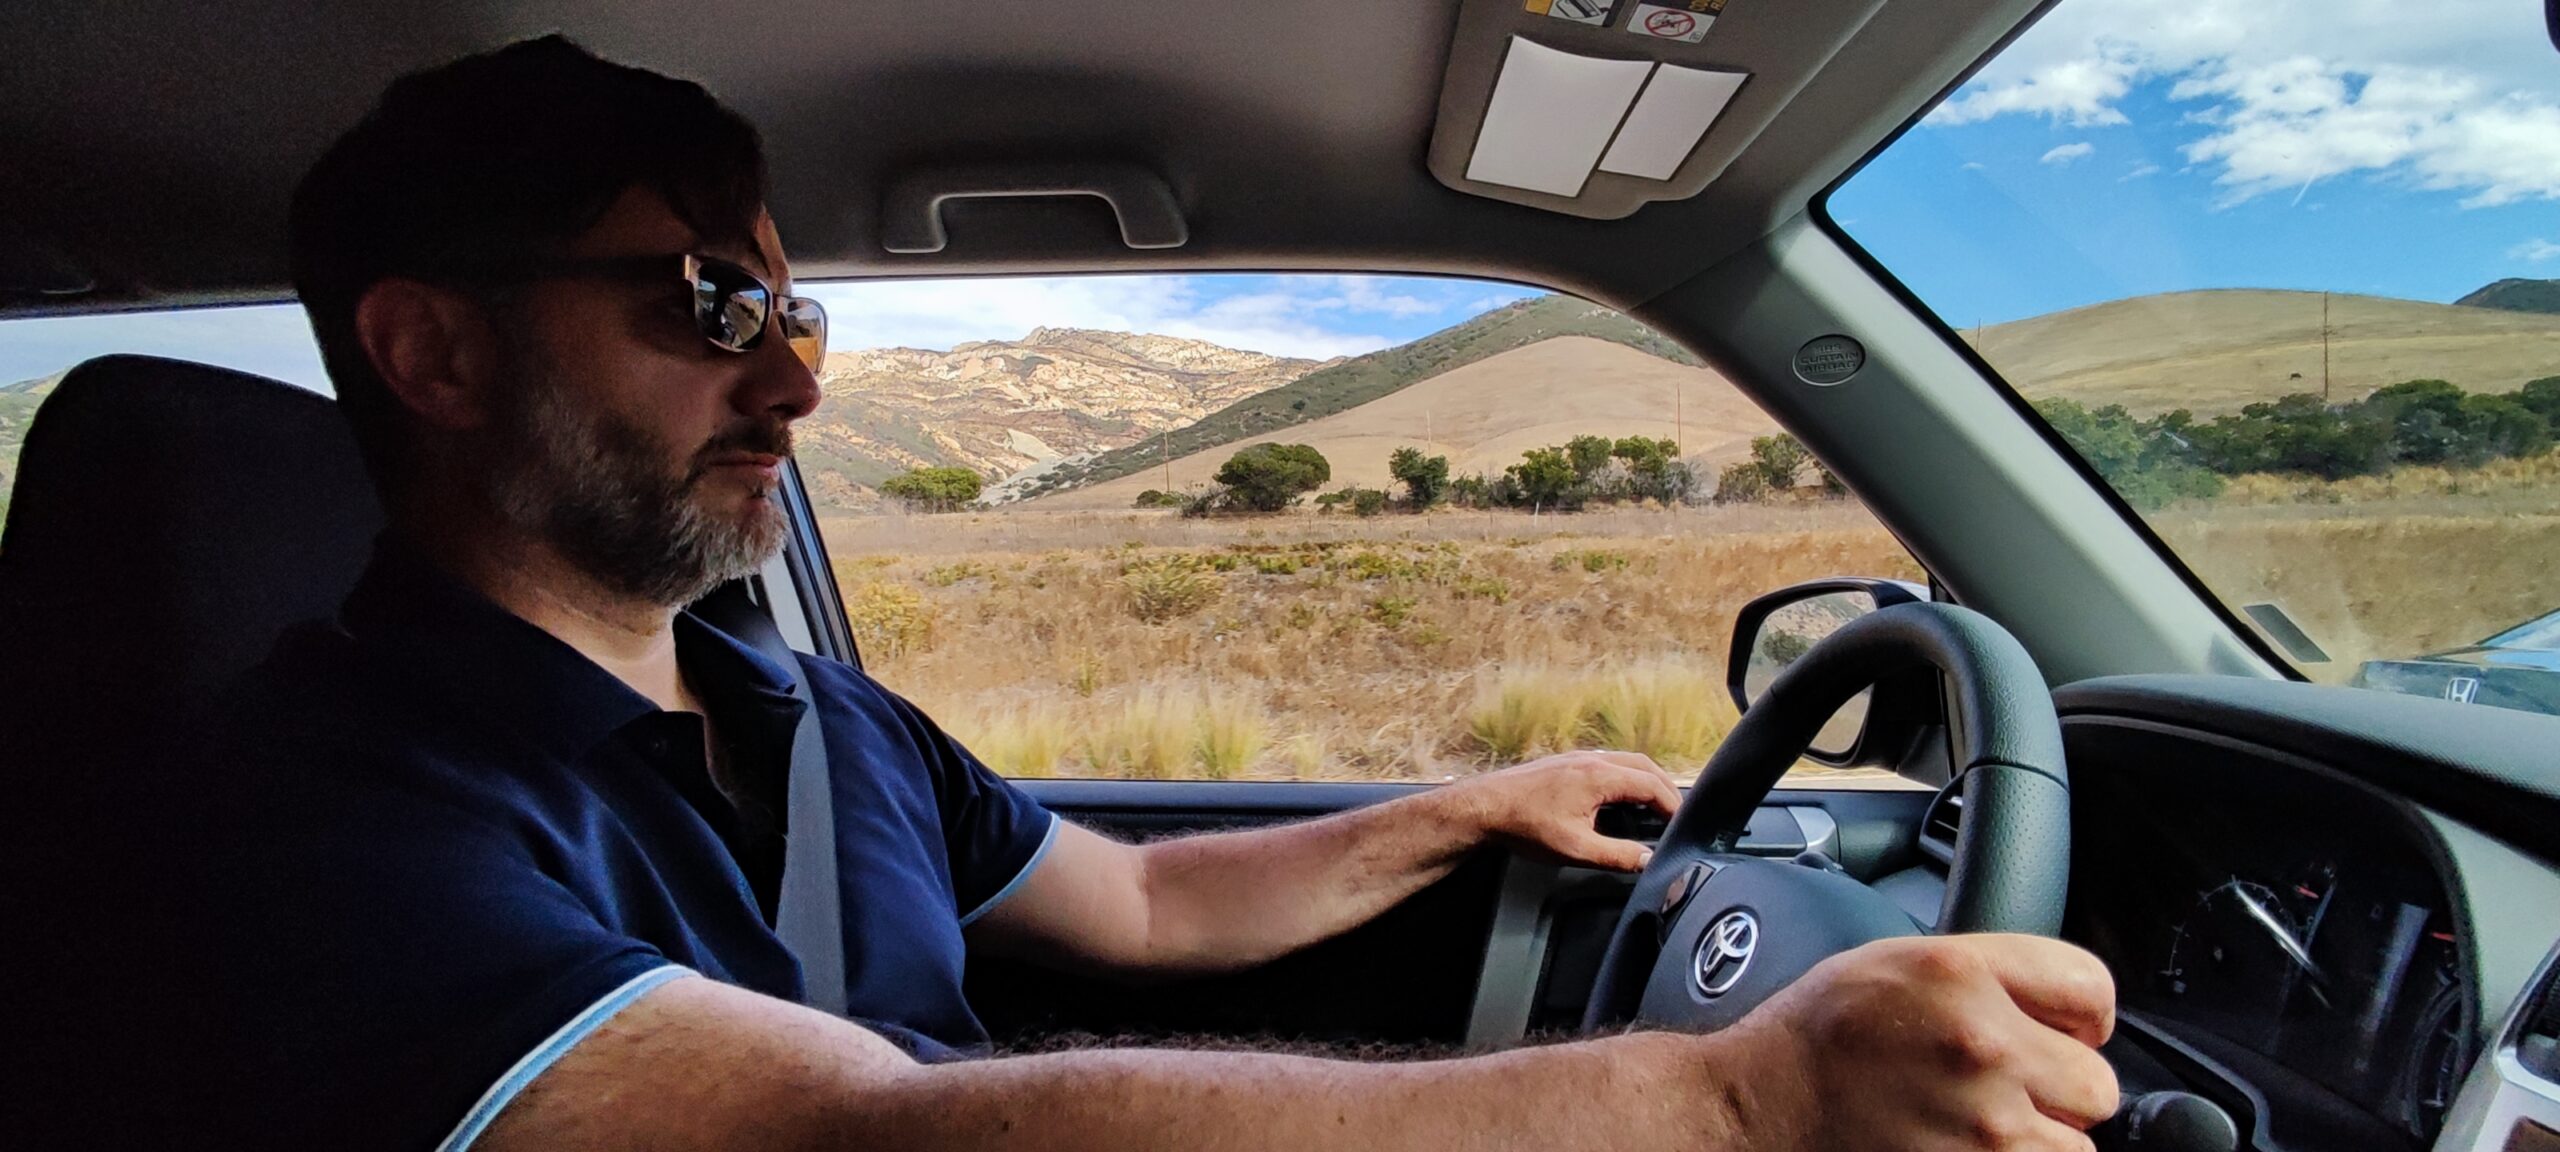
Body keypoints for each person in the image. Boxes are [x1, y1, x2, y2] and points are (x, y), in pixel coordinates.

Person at [132, 35, 2115, 1151]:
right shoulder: (318, 810)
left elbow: (1148, 905)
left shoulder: (811, 714)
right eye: (715, 304)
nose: (795, 380)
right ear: (437, 354)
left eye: (796, 312)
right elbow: (849, 1138)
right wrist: (1734, 1106)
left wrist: (1462, 809)